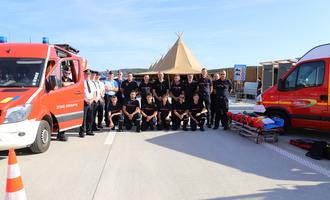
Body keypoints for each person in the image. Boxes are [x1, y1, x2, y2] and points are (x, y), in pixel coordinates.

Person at [79, 69, 96, 137]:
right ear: (84, 74)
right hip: (84, 102)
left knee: (90, 117)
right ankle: (82, 132)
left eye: (89, 74)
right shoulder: (82, 82)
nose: (87, 75)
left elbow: (94, 92)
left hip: (91, 102)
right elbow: (81, 92)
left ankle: (89, 130)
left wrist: (91, 100)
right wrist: (86, 100)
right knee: (83, 118)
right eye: (86, 74)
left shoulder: (92, 83)